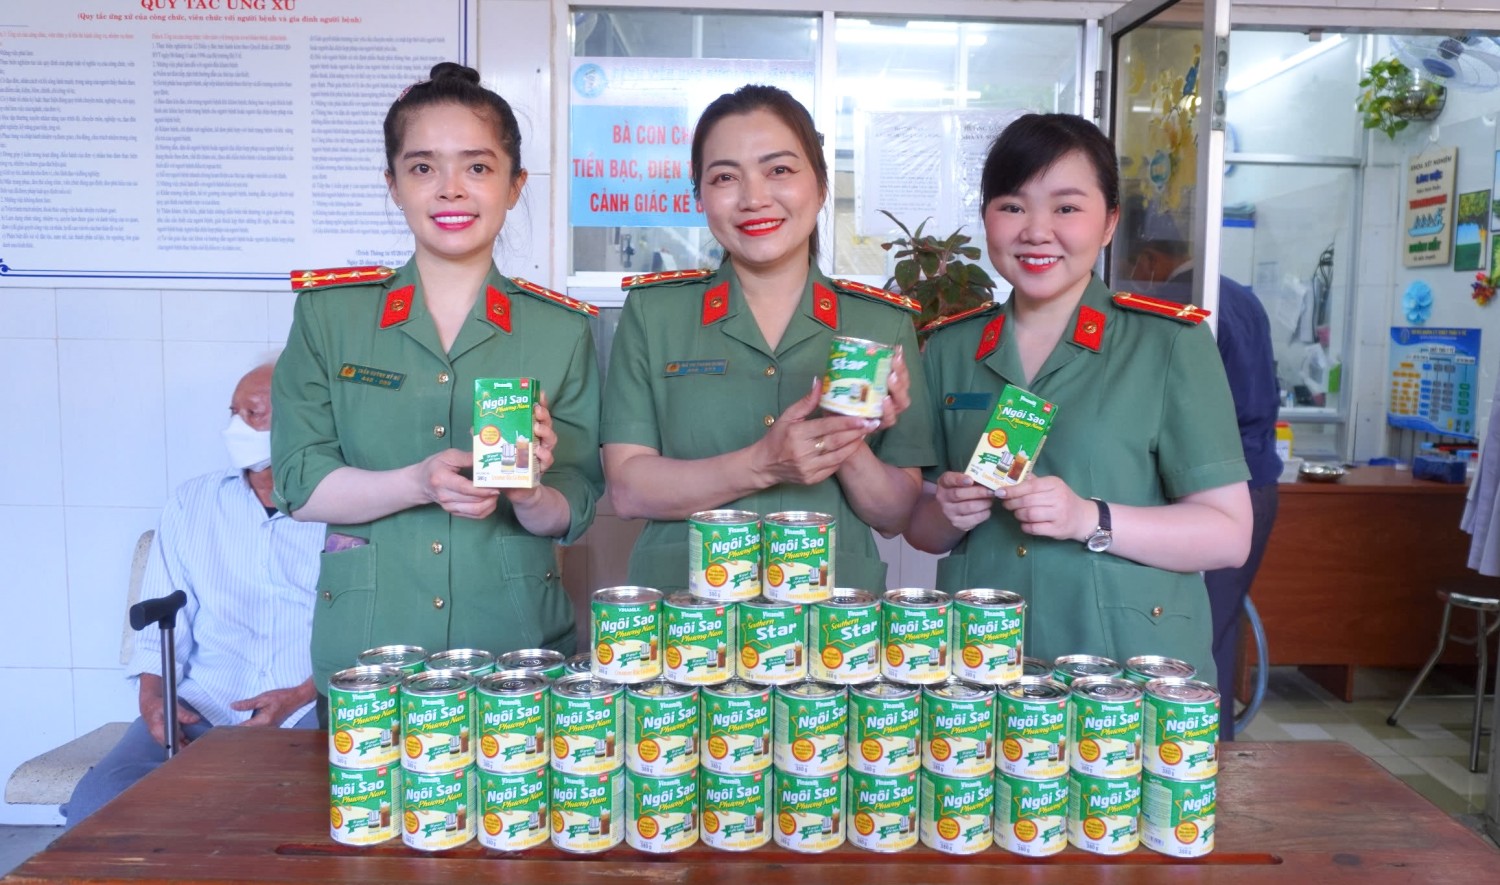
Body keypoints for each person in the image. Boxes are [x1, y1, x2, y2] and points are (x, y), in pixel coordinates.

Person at [271, 63, 603, 701]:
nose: (451, 190)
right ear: (393, 185)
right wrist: (417, 482)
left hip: (515, 652)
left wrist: (531, 491)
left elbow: (577, 505)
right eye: (423, 167)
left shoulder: (559, 330)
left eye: (477, 167)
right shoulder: (330, 316)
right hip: (369, 651)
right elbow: (299, 484)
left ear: (515, 185)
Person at [904, 114, 1252, 686]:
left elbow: (1228, 535)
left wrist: (1089, 518)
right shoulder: (950, 348)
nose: (1037, 231)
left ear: (1110, 221)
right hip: (984, 666)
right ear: (986, 218)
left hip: (1127, 669)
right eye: (1012, 207)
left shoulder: (1168, 343)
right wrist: (946, 512)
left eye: (1066, 208)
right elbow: (921, 527)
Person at [601, 84, 936, 592]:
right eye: (725, 177)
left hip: (830, 618)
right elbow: (628, 490)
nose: (754, 198)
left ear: (820, 185)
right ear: (700, 198)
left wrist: (844, 438)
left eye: (779, 170)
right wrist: (760, 464)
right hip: (687, 615)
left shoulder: (879, 325)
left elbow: (895, 515)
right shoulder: (655, 314)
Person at [65, 362, 324, 827]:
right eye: (233, 413)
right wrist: (153, 702)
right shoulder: (192, 503)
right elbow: (160, 629)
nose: (235, 428)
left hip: (305, 708)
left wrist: (301, 695)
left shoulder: (345, 509)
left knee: (285, 814)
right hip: (204, 706)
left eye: (254, 414)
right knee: (97, 805)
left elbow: (363, 632)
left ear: (304, 421)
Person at [1128, 210, 1282, 737]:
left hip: (1215, 490)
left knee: (1192, 642)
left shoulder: (1180, 309)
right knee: (1219, 631)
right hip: (1259, 482)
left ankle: (1197, 760)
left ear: (1150, 259)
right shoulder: (1242, 296)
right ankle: (1218, 758)